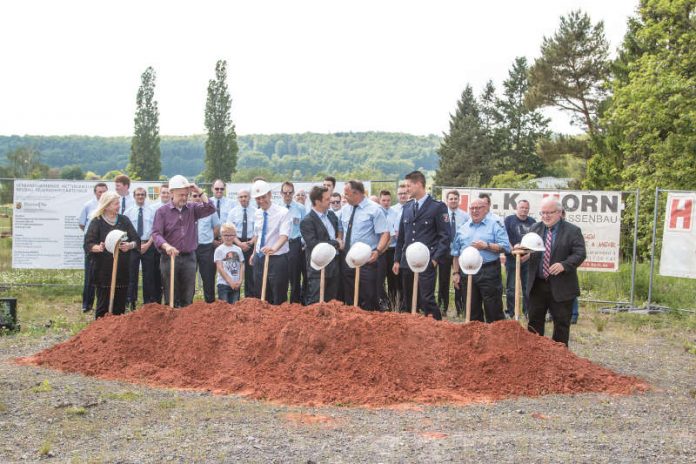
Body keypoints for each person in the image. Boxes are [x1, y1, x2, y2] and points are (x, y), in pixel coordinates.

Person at [522, 197, 586, 346]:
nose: (545, 216)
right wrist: (521, 253)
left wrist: (564, 264)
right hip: (537, 285)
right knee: (534, 323)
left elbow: (580, 254)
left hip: (561, 285)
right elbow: (527, 249)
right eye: (543, 213)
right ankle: (535, 355)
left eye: (549, 212)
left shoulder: (573, 231)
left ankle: (560, 359)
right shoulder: (534, 229)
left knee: (561, 324)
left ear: (559, 213)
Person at [393, 171, 450, 320]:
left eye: (408, 185)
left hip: (427, 260)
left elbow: (445, 237)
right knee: (408, 300)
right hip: (407, 262)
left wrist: (435, 259)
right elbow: (402, 237)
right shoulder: (407, 207)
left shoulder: (437, 207)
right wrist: (397, 259)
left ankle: (435, 330)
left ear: (419, 184)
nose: (406, 189)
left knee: (427, 299)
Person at [151, 175, 215, 308]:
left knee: (187, 297)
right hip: (169, 258)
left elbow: (210, 208)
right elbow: (156, 233)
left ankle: (187, 326)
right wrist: (166, 246)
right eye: (181, 195)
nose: (184, 198)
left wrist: (198, 190)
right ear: (171, 193)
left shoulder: (193, 208)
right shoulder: (162, 212)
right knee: (171, 297)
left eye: (186, 195)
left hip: (189, 258)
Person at [451, 198, 511, 323]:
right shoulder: (463, 228)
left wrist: (487, 246)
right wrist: (456, 273)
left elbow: (506, 247)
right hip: (467, 272)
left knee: (493, 310)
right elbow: (456, 253)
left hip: (489, 270)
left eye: (478, 208)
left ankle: (494, 340)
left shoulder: (495, 224)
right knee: (471, 310)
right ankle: (476, 340)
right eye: (472, 208)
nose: (475, 211)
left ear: (486, 209)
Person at [84, 191, 140, 318]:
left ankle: (117, 333)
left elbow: (136, 240)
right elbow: (88, 243)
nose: (118, 206)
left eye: (118, 203)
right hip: (103, 269)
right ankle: (100, 331)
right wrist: (97, 247)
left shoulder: (124, 220)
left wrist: (129, 246)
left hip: (121, 268)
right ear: (107, 205)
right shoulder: (97, 221)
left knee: (120, 306)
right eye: (116, 203)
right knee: (103, 305)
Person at [341, 180, 390, 310]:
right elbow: (341, 229)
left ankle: (369, 326)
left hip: (368, 261)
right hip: (348, 260)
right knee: (350, 297)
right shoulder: (345, 210)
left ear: (356, 193)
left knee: (368, 296)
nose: (344, 197)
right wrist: (340, 240)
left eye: (347, 194)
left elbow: (385, 233)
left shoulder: (375, 209)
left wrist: (378, 251)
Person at [250, 180, 292, 305]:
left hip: (277, 259)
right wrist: (254, 253)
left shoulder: (283, 212)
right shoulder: (257, 213)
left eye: (263, 197)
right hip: (260, 258)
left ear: (269, 194)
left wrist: (273, 249)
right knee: (260, 293)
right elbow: (257, 235)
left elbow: (284, 236)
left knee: (278, 294)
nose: (261, 201)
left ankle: (279, 322)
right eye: (258, 198)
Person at [300, 186, 342, 304]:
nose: (330, 201)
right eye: (327, 199)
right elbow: (313, 244)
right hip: (318, 268)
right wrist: (336, 243)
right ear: (318, 201)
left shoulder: (332, 216)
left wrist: (339, 239)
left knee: (332, 302)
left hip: (334, 266)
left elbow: (338, 232)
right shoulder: (307, 221)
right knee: (316, 302)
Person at [124, 187, 158, 310]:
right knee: (132, 275)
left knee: (148, 275)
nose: (140, 197)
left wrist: (148, 244)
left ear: (145, 196)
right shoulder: (128, 212)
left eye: (142, 194)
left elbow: (156, 230)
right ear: (134, 196)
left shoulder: (152, 211)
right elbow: (125, 231)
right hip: (133, 246)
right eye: (138, 194)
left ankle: (148, 303)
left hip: (148, 245)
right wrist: (132, 245)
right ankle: (130, 302)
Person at [438, 190, 470, 317]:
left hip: (459, 253)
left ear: (459, 200)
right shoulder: (442, 215)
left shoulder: (465, 216)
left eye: (455, 199)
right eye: (451, 199)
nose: (453, 201)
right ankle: (442, 307)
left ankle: (460, 309)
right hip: (444, 252)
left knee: (459, 280)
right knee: (443, 281)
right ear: (447, 200)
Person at [504, 199, 536, 318]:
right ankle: (511, 311)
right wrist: (514, 251)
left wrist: (527, 256)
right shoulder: (509, 220)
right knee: (511, 287)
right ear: (517, 208)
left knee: (527, 286)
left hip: (527, 260)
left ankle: (527, 311)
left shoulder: (533, 222)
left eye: (526, 208)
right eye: (522, 207)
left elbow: (536, 243)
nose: (524, 210)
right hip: (512, 258)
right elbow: (505, 238)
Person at [79, 182, 108, 313]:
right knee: (90, 274)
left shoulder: (110, 206)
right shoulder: (88, 206)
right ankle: (87, 304)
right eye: (99, 192)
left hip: (106, 244)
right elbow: (82, 224)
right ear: (95, 193)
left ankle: (103, 303)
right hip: (92, 244)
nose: (102, 194)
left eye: (104, 191)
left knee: (103, 275)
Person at [227, 189, 257, 298]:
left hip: (251, 244)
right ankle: (235, 299)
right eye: (241, 197)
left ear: (249, 197)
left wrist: (250, 243)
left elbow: (258, 231)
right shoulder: (232, 212)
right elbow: (230, 231)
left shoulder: (256, 211)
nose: (243, 199)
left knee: (251, 274)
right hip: (236, 245)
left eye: (245, 196)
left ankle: (250, 300)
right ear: (238, 198)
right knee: (235, 273)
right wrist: (240, 244)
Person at [280, 181, 307, 304]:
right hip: (280, 245)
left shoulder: (300, 208)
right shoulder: (277, 208)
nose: (287, 195)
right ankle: (281, 303)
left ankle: (295, 305)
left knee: (295, 277)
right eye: (285, 192)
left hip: (294, 244)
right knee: (281, 276)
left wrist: (301, 241)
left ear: (293, 193)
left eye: (290, 192)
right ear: (281, 193)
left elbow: (304, 228)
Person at [193, 189, 221, 303]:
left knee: (208, 279)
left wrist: (210, 238)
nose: (197, 198)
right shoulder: (188, 211)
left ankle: (210, 306)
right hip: (191, 249)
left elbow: (217, 226)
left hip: (206, 248)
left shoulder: (210, 211)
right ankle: (187, 308)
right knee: (188, 279)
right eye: (194, 196)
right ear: (190, 198)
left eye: (199, 196)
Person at [377, 190, 401, 309]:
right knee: (379, 278)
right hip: (380, 251)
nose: (386, 203)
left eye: (388, 200)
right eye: (383, 200)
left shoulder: (395, 213)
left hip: (392, 250)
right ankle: (383, 303)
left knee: (393, 279)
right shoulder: (376, 213)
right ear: (379, 200)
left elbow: (394, 234)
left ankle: (393, 304)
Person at [214, 223, 245, 304]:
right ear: (221, 236)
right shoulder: (219, 250)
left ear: (235, 236)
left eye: (231, 235)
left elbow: (242, 265)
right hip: (223, 284)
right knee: (224, 308)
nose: (228, 237)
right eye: (225, 235)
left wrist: (240, 280)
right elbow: (220, 268)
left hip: (236, 284)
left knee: (235, 307)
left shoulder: (238, 249)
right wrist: (230, 282)